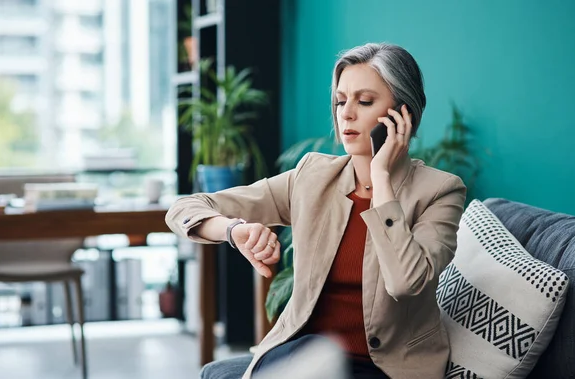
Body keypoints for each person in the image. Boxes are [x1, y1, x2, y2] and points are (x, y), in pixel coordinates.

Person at [165, 42, 467, 379]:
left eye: (364, 101)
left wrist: (381, 178)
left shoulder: (440, 191)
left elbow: (405, 283)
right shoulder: (313, 177)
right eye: (340, 101)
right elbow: (186, 208)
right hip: (306, 358)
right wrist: (235, 231)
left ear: (403, 114)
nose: (346, 113)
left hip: (385, 368)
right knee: (215, 372)